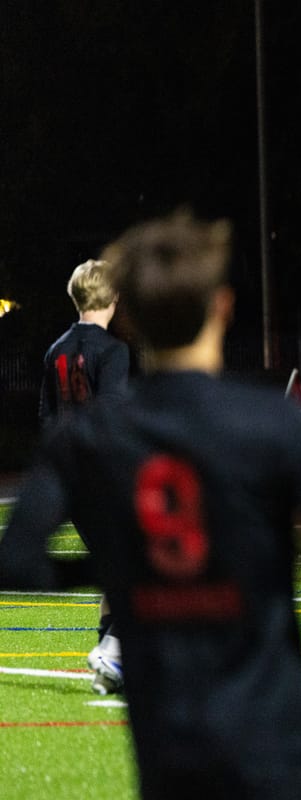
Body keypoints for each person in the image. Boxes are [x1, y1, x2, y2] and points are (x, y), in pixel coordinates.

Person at [0, 210, 301, 800]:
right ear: (222, 307)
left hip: (169, 754)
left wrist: (117, 568)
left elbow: (16, 561)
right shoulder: (274, 420)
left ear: (134, 316)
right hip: (275, 747)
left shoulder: (85, 437)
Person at [38, 258, 131, 694]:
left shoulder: (55, 350)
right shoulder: (113, 351)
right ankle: (111, 652)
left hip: (70, 480)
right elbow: (112, 417)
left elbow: (47, 420)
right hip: (102, 475)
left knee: (116, 565)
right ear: (114, 296)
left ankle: (108, 670)